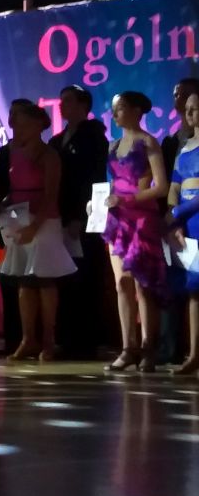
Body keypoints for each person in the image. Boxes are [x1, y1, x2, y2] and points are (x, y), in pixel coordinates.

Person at [0, 100, 76, 361]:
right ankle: (28, 338)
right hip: (18, 217)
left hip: (44, 220)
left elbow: (51, 195)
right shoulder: (11, 152)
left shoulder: (49, 155)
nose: (15, 127)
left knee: (44, 280)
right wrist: (4, 209)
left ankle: (48, 341)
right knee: (24, 280)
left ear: (36, 125)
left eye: (20, 123)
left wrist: (35, 225)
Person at [102, 91, 169, 372]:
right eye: (114, 109)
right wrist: (98, 203)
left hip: (141, 217)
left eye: (120, 108)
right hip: (118, 219)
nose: (115, 114)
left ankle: (148, 348)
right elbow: (112, 183)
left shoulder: (148, 142)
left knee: (143, 284)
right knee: (122, 283)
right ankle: (127, 347)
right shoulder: (113, 145)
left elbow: (161, 187)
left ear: (136, 111)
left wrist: (127, 199)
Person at [49, 84, 109, 359]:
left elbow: (94, 179)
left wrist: (81, 217)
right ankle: (65, 338)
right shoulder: (57, 141)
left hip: (85, 217)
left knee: (86, 276)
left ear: (84, 105)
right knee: (64, 277)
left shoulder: (94, 137)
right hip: (59, 217)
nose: (62, 105)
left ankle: (87, 341)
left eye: (69, 100)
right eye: (61, 101)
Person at [160, 78, 199, 364]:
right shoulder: (184, 149)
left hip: (193, 218)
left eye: (194, 108)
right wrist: (173, 218)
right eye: (187, 109)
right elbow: (174, 187)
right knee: (192, 290)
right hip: (186, 224)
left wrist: (176, 215)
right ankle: (193, 354)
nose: (189, 113)